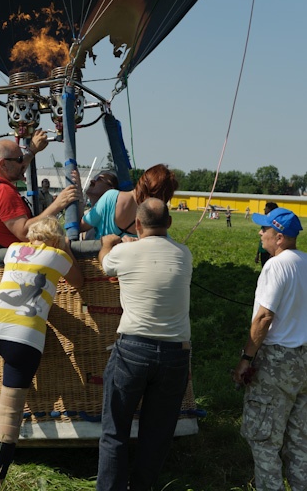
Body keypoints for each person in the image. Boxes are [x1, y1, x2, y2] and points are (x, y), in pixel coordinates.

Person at [0, 215, 83, 482]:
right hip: (23, 337)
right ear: (56, 239)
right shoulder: (59, 256)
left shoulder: (13, 249)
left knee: (12, 358)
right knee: (10, 413)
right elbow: (80, 282)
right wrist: (67, 248)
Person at [96, 198, 192, 491]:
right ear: (170, 224)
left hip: (133, 349)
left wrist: (108, 242)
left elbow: (105, 265)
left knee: (115, 432)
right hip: (176, 353)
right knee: (157, 434)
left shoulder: (124, 252)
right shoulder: (184, 254)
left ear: (137, 224)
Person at [233, 207, 307, 491]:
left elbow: (264, 317)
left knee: (263, 439)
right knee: (299, 441)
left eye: (265, 229)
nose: (260, 233)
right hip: (304, 360)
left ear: (279, 236)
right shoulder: (305, 262)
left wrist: (246, 359)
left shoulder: (276, 266)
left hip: (278, 360)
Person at [0, 131, 79, 249]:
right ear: (3, 164)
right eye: (19, 159)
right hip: (17, 261)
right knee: (65, 246)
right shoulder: (2, 192)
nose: (23, 163)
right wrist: (58, 204)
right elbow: (24, 232)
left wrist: (32, 152)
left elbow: (14, 168)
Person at [81, 164, 178, 240]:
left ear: (143, 179)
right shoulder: (155, 215)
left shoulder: (111, 197)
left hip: (102, 260)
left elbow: (82, 226)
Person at [255, 201, 277, 268]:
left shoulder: (274, 223)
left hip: (269, 251)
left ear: (271, 210)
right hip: (263, 250)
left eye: (266, 208)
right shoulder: (265, 222)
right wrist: (258, 253)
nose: (264, 209)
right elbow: (261, 239)